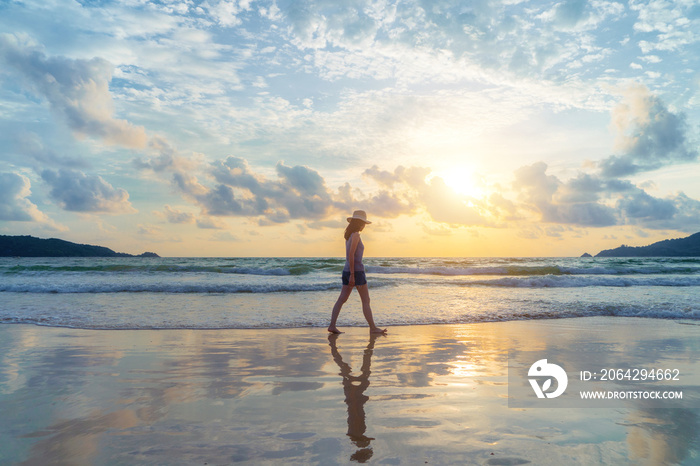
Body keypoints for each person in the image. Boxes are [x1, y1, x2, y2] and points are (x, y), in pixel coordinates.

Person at [328, 210, 387, 334]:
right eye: (364, 223)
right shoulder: (356, 235)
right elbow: (351, 254)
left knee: (341, 299)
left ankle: (332, 325)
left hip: (347, 270)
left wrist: (350, 273)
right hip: (357, 271)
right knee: (366, 301)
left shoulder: (349, 235)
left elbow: (350, 256)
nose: (364, 226)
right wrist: (353, 275)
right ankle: (373, 328)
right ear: (360, 223)